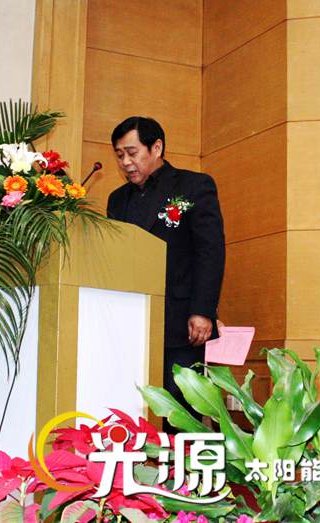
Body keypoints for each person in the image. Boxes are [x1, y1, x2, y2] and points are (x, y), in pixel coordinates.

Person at [107, 116, 225, 419]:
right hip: (130, 322)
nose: (125, 162)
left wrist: (203, 311)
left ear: (156, 147)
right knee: (131, 411)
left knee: (180, 412)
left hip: (181, 322)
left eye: (132, 152)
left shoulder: (194, 186)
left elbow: (209, 252)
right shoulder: (117, 200)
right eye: (119, 155)